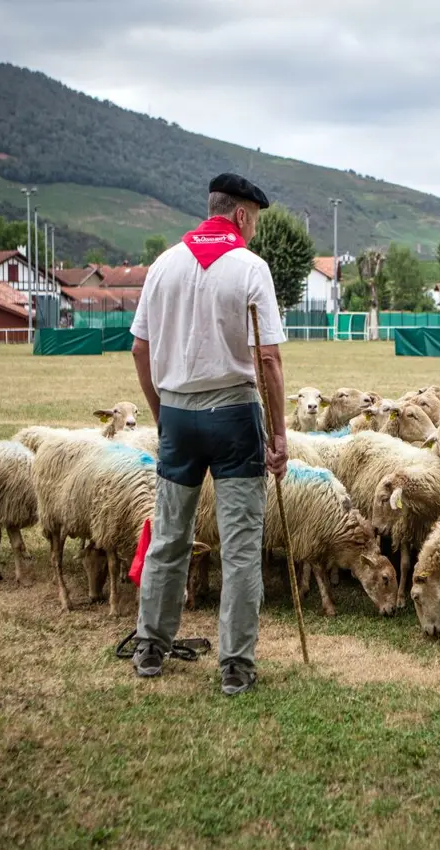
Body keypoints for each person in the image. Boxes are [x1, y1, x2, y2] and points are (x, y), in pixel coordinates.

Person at [128, 173, 288, 694]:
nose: (255, 230)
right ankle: (236, 666)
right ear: (242, 215)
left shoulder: (163, 264)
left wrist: (160, 412)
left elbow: (139, 349)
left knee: (169, 536)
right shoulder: (249, 266)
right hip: (234, 417)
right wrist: (279, 436)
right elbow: (268, 357)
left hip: (176, 414)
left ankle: (151, 645)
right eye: (255, 220)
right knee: (240, 546)